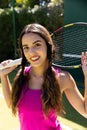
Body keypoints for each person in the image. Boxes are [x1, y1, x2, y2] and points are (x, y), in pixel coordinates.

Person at [0, 23, 87, 130]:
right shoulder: (22, 76)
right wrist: (3, 76)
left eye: (37, 45)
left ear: (48, 45)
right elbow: (11, 104)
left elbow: (85, 111)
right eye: (26, 47)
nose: (31, 52)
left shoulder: (62, 78)